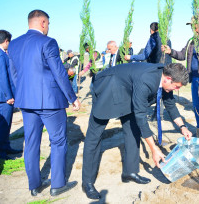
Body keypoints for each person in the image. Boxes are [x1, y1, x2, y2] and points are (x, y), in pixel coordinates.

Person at [82, 63, 192, 200]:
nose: (175, 90)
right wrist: (154, 148)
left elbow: (170, 104)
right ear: (168, 79)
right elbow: (141, 115)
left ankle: (130, 172)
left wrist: (183, 127)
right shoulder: (146, 80)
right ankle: (87, 182)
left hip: (128, 91)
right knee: (94, 136)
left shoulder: (165, 79)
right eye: (176, 87)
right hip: (108, 88)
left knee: (132, 129)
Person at [7, 10, 81, 196]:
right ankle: (57, 185)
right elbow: (59, 72)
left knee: (31, 142)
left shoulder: (14, 44)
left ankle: (34, 186)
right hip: (50, 102)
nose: (48, 27)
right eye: (48, 23)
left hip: (26, 101)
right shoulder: (48, 42)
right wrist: (72, 97)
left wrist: (22, 94)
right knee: (58, 141)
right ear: (42, 22)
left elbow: (14, 75)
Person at [162, 18, 199, 147]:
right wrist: (170, 51)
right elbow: (182, 55)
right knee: (197, 107)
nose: (194, 29)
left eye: (196, 26)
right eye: (192, 27)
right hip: (195, 78)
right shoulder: (191, 41)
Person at [0, 30, 22, 160]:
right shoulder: (1, 55)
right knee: (4, 125)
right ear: (6, 41)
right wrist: (8, 96)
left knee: (5, 125)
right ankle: (2, 153)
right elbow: (2, 77)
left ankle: (6, 146)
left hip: (2, 96)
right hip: (3, 98)